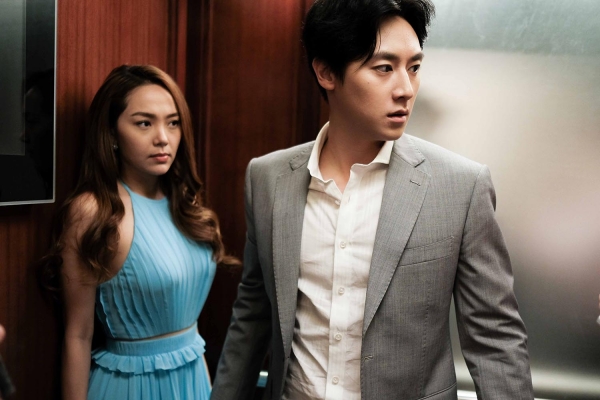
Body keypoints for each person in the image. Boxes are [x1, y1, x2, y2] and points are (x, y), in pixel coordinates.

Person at [211, 0, 533, 399]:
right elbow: (253, 315)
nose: (405, 89)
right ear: (326, 72)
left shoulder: (460, 186)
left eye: (414, 67)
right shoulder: (267, 179)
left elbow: (495, 340)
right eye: (384, 68)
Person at [42, 65, 236, 400]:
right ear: (111, 133)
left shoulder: (183, 201)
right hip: (131, 386)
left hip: (193, 379)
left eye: (172, 122)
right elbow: (78, 334)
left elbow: (190, 335)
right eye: (144, 123)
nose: (163, 137)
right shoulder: (94, 211)